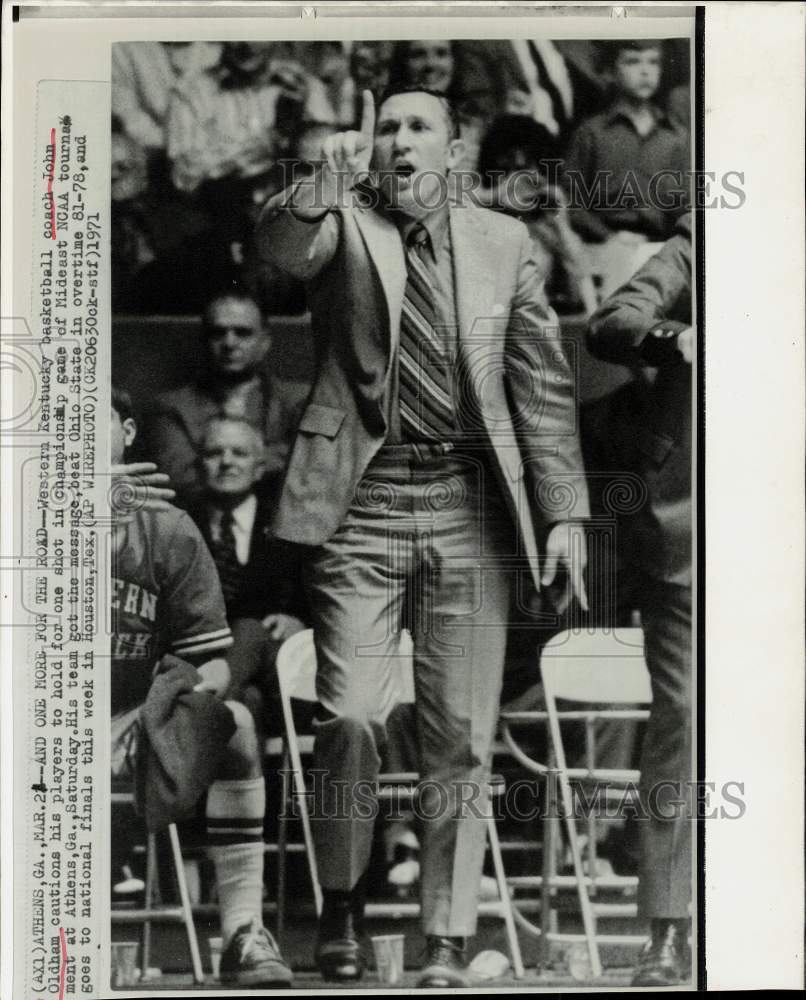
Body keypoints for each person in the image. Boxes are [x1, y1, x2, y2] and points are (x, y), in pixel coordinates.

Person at [256, 84, 589, 987]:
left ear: (455, 146)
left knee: (461, 736)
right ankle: (343, 908)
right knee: (353, 715)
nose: (400, 142)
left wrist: (564, 510)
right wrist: (316, 184)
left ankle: (445, 937)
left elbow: (542, 383)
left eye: (418, 128)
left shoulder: (503, 239)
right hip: (360, 505)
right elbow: (284, 252)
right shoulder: (343, 221)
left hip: (468, 504)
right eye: (388, 127)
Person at [109, 387, 293, 987]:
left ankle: (242, 932)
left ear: (129, 434)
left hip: (138, 717)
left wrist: (156, 714)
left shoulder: (167, 527)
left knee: (236, 724)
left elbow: (212, 664)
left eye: (95, 423)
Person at [587, 211, 693, 987]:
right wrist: (672, 338)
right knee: (682, 720)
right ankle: (669, 926)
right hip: (697, 528)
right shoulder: (700, 247)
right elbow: (612, 321)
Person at [188, 415, 308, 737]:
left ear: (259, 467)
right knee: (246, 705)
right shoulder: (179, 526)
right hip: (207, 663)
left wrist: (298, 620)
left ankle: (204, 701)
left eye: (239, 453)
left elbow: (319, 598)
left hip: (281, 670)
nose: (226, 462)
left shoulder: (290, 526)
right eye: (215, 453)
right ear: (198, 466)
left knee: (252, 630)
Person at [142, 290, 308, 507]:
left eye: (242, 333)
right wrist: (274, 456)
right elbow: (178, 479)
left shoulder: (299, 401)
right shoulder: (170, 408)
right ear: (204, 341)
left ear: (264, 342)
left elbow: (309, 471)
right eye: (218, 333)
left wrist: (211, 463)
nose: (229, 343)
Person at [563, 40, 690, 295]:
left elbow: (685, 204)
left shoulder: (676, 137)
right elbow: (571, 204)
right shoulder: (592, 134)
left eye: (653, 62)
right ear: (611, 72)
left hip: (660, 245)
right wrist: (609, 236)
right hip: (605, 245)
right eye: (632, 61)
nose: (645, 71)